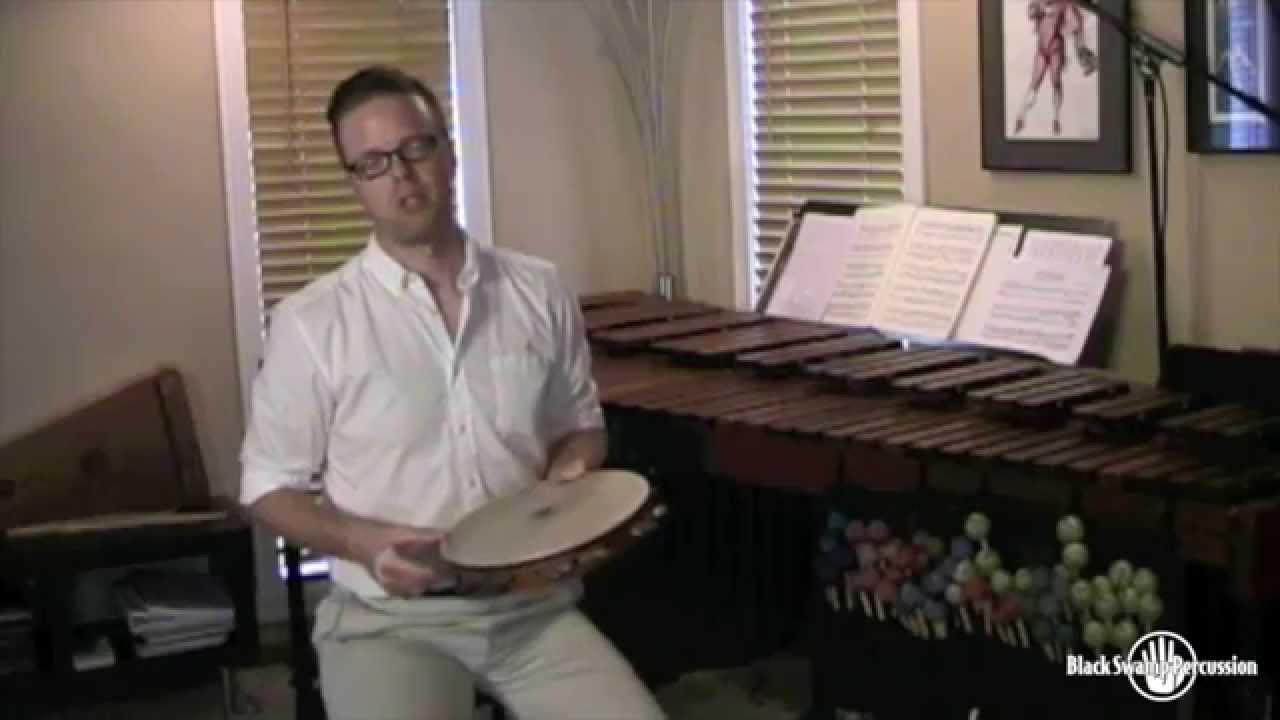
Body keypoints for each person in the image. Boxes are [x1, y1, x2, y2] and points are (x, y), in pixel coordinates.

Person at [237, 64, 666, 720]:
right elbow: (267, 487)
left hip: (530, 611)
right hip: (390, 622)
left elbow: (580, 423)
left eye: (416, 148)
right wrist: (363, 544)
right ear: (354, 182)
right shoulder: (311, 322)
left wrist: (566, 492)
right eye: (374, 163)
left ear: (448, 150)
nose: (402, 176)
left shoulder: (539, 289)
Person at [1012, 0, 1098, 136]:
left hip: (1056, 49)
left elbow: (1076, 23)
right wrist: (1041, 10)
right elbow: (1030, 12)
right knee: (1034, 83)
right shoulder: (1040, 3)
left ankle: (1056, 118)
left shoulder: (1064, 4)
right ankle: (1021, 116)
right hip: (1042, 50)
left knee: (1056, 82)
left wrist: (1079, 46)